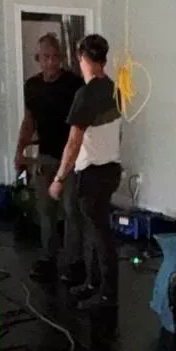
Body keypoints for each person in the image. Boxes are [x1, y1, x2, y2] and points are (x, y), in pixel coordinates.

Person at [50, 33, 122, 311]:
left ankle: (107, 295)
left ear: (83, 59)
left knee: (101, 235)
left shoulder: (86, 94)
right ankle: (94, 284)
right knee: (95, 231)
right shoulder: (112, 88)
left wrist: (58, 179)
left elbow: (73, 142)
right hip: (110, 169)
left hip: (93, 173)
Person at [14, 32, 82, 279]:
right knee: (45, 209)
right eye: (46, 57)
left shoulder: (74, 84)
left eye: (55, 57)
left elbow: (82, 124)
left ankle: (75, 262)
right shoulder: (32, 86)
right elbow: (29, 120)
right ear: (38, 58)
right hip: (45, 156)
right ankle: (48, 257)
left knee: (71, 209)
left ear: (61, 58)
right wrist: (19, 150)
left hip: (71, 157)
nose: (51, 62)